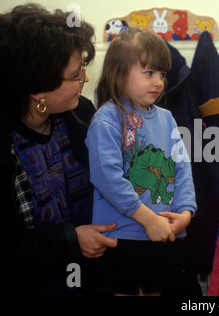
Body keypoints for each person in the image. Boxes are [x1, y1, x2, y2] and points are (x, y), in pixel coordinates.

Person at [0, 4, 118, 296]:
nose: (85, 80)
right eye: (76, 74)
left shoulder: (81, 115)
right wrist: (70, 240)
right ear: (38, 90)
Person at [85, 27, 197, 296]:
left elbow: (181, 169)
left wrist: (185, 213)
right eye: (149, 73)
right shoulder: (107, 119)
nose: (158, 82)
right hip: (121, 238)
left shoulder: (167, 118)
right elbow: (107, 177)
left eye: (162, 74)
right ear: (119, 72)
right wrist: (148, 220)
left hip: (162, 234)